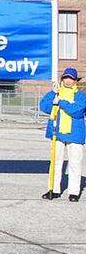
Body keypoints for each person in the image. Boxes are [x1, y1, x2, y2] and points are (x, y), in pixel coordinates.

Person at [40, 67, 86, 201]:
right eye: (66, 78)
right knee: (56, 161)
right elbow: (45, 107)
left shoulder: (81, 96)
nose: (68, 81)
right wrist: (52, 94)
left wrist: (61, 102)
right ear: (62, 79)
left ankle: (74, 191)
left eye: (71, 78)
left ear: (75, 80)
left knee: (75, 162)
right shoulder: (56, 93)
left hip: (75, 134)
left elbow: (77, 111)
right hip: (57, 132)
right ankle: (53, 189)